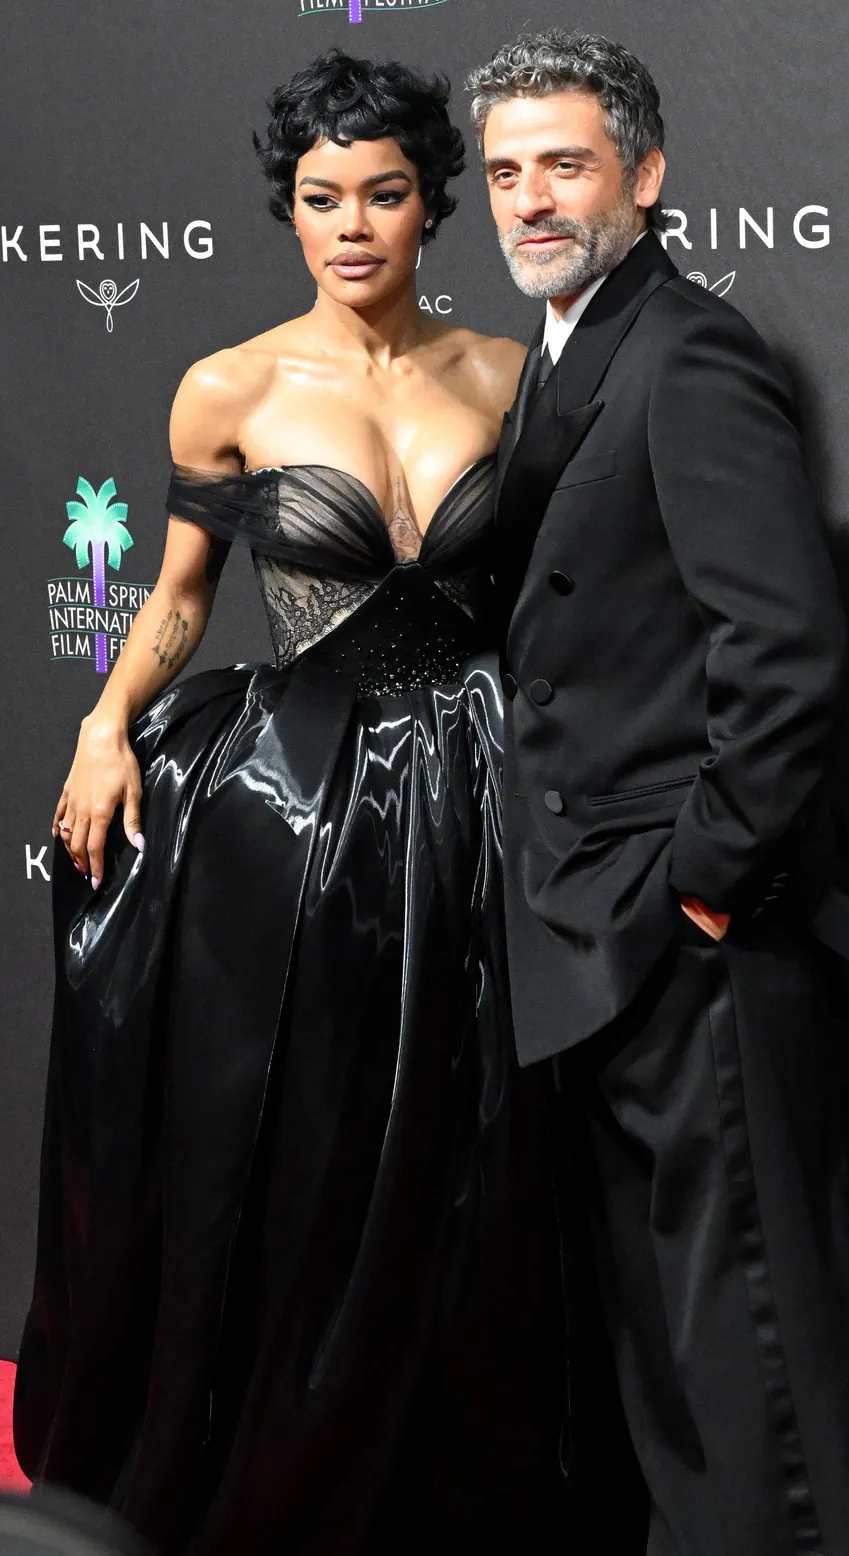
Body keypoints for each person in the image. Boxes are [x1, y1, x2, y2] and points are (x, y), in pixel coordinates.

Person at [15, 49, 636, 1556]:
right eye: (320, 198)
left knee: (482, 1141)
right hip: (305, 805)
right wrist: (103, 724)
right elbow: (179, 597)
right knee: (305, 1127)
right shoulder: (227, 387)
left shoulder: (515, 375)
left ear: (432, 206)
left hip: (487, 786)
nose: (351, 226)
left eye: (383, 194)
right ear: (288, 210)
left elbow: (562, 595)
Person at [468, 29, 849, 1556]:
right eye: (505, 173)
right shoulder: (567, 357)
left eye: (565, 165)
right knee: (681, 1389)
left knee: (756, 1388)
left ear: (644, 174)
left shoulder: (688, 351)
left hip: (693, 954)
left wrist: (694, 890)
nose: (530, 200)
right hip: (596, 946)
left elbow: (782, 655)